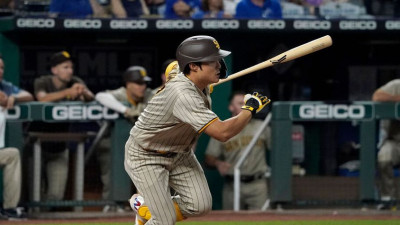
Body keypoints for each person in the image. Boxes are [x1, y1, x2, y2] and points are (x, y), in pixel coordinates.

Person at [125, 35, 271, 225]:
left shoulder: (189, 76)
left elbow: (173, 69)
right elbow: (223, 133)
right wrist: (249, 109)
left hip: (179, 152)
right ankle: (150, 212)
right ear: (193, 66)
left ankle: (146, 211)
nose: (219, 64)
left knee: (200, 205)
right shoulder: (183, 95)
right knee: (164, 221)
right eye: (213, 60)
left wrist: (198, 83)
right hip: (146, 155)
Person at [31, 51, 94, 203]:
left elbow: (91, 97)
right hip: (35, 144)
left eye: (71, 67)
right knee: (34, 193)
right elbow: (42, 98)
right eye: (65, 67)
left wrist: (82, 92)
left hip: (60, 146)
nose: (70, 71)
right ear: (54, 70)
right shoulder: (43, 81)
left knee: (55, 196)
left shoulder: (75, 81)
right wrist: (67, 92)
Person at [95, 66, 153, 207]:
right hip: (116, 146)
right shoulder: (121, 94)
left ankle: (145, 211)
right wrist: (125, 110)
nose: (142, 87)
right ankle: (111, 209)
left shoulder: (149, 94)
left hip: (141, 146)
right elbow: (100, 96)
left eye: (144, 83)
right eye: (138, 84)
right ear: (128, 84)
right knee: (113, 179)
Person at [204, 91, 270, 210]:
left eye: (246, 103)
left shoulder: (262, 126)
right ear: (231, 106)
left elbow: (280, 149)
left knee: (262, 220)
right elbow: (209, 158)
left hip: (257, 184)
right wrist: (218, 163)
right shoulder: (223, 128)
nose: (245, 106)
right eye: (240, 103)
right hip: (233, 185)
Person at [0, 54, 33, 220]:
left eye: (1, 68)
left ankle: (10, 208)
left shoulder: (5, 87)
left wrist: (14, 97)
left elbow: (28, 95)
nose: (0, 71)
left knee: (12, 154)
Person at [372, 79, 400, 210]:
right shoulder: (396, 85)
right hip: (394, 140)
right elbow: (377, 96)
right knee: (384, 157)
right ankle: (388, 199)